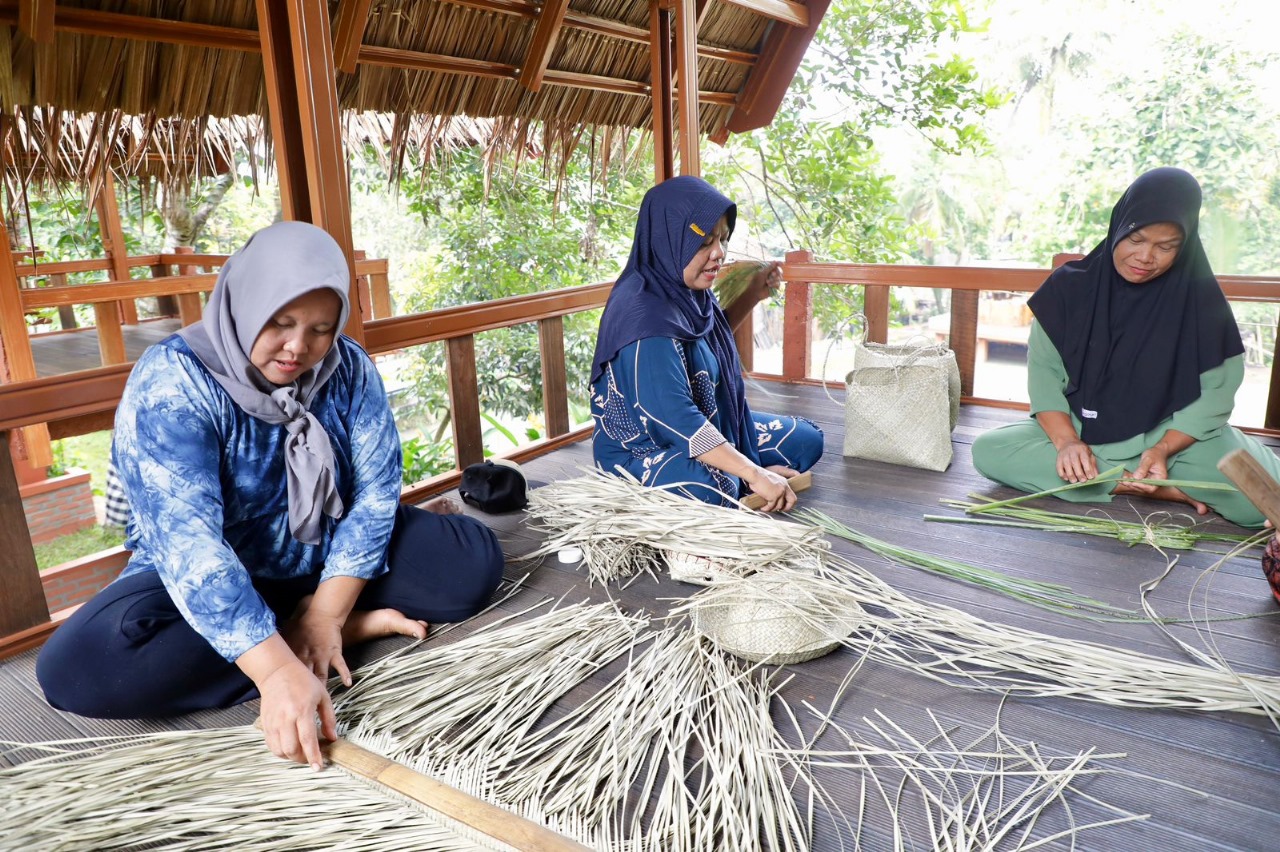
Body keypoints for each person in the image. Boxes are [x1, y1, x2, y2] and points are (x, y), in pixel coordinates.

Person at [36, 221, 504, 769]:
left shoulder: (347, 366)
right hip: (214, 570)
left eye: (321, 329)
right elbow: (189, 545)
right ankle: (306, 634)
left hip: (324, 552)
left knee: (472, 565)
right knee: (80, 668)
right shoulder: (173, 380)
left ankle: (316, 624)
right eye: (280, 323)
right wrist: (277, 672)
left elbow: (377, 494)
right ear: (244, 303)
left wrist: (326, 613)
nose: (299, 347)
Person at [971, 167, 1280, 527]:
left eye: (1165, 247)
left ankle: (1129, 477)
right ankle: (1155, 489)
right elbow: (1045, 378)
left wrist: (1162, 449)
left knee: (1261, 502)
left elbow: (1215, 394)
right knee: (990, 452)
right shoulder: (1068, 290)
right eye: (1136, 239)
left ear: (1184, 245)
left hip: (1172, 441)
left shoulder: (1202, 304)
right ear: (1119, 226)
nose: (1146, 257)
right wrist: (1067, 443)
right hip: (1083, 431)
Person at [589, 176, 823, 512]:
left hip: (705, 420)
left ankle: (738, 473)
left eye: (723, 239)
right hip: (646, 447)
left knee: (805, 441)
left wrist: (752, 295)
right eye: (704, 242)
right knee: (715, 487)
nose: (719, 253)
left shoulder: (685, 291)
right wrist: (754, 473)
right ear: (669, 238)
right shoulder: (644, 318)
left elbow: (709, 342)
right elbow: (674, 419)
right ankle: (739, 477)